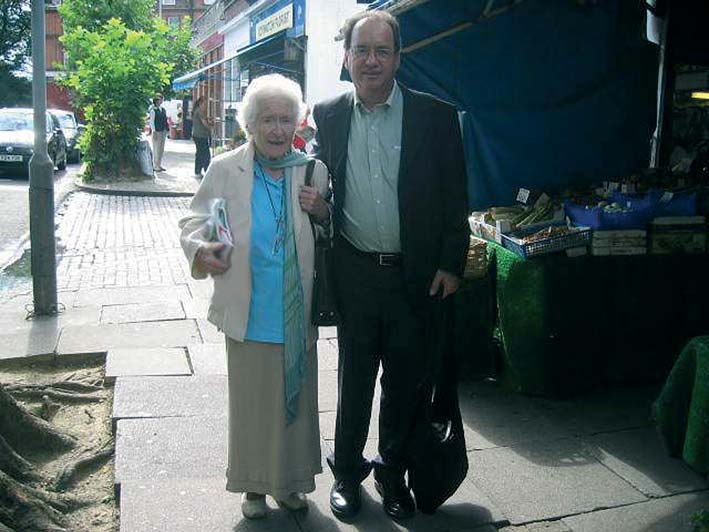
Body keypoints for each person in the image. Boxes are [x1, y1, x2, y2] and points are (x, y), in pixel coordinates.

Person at [311, 10, 470, 521]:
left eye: (382, 51)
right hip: (355, 272)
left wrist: (451, 263)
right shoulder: (330, 113)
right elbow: (322, 180)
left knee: (405, 381)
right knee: (353, 379)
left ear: (399, 57)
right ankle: (347, 474)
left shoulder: (436, 116)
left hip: (417, 276)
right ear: (347, 57)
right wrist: (320, 207)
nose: (371, 60)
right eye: (362, 50)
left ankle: (393, 473)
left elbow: (455, 196)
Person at [179, 73, 331, 520]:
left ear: (298, 123)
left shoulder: (311, 170)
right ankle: (252, 488)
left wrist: (321, 210)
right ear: (250, 124)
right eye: (268, 120)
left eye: (286, 119)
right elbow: (194, 223)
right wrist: (203, 249)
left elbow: (330, 232)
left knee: (296, 402)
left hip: (294, 309)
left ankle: (290, 483)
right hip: (249, 307)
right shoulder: (226, 169)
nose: (278, 130)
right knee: (251, 405)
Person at [191, 96, 212, 178]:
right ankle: (206, 170)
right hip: (200, 135)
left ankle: (198, 171)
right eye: (205, 103)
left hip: (198, 135)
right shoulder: (200, 111)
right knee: (205, 153)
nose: (206, 105)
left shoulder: (197, 111)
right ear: (200, 103)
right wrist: (210, 128)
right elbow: (204, 123)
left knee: (200, 153)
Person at [148, 93, 169, 172]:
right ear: (156, 100)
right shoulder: (153, 110)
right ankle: (155, 165)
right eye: (160, 99)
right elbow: (152, 122)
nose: (161, 100)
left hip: (163, 130)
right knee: (156, 148)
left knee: (161, 149)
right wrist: (154, 131)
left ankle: (159, 164)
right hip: (157, 131)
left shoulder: (162, 109)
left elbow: (165, 120)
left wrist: (167, 129)